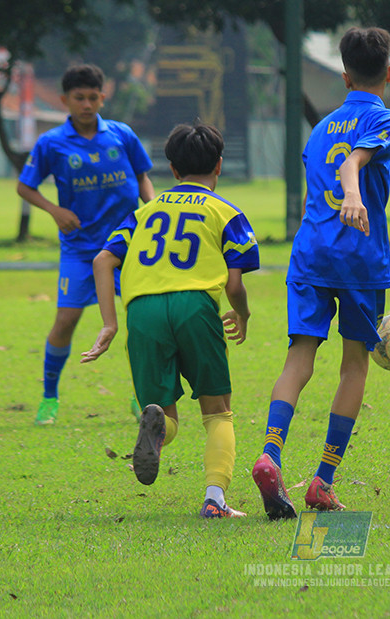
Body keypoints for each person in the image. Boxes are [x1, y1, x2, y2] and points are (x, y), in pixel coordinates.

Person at [252, 26, 390, 519]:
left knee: (298, 359)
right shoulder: (385, 118)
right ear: (389, 73)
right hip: (358, 257)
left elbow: (314, 193)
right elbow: (352, 165)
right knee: (354, 365)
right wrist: (354, 195)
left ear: (344, 76)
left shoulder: (320, 130)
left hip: (310, 254)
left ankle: (270, 454)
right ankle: (323, 480)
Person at [80, 122, 258, 519]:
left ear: (173, 170)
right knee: (217, 411)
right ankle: (214, 501)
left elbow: (103, 259)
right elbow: (234, 283)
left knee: (164, 410)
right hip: (194, 306)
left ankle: (159, 430)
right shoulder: (226, 212)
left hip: (142, 310)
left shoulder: (143, 213)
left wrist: (109, 324)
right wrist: (243, 314)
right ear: (219, 165)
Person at [17, 63, 155, 426]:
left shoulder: (122, 135)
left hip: (127, 246)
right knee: (66, 320)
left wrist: (152, 210)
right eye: (79, 98)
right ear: (65, 100)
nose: (87, 104)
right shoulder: (51, 142)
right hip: (80, 248)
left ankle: (141, 396)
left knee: (141, 321)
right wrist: (54, 210)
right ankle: (49, 397)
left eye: (93, 97)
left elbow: (142, 177)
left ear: (103, 98)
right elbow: (24, 186)